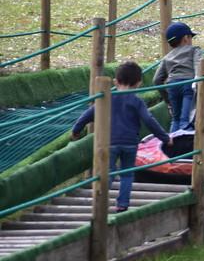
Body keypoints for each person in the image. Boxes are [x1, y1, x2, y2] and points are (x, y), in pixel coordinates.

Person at [72, 62, 170, 213]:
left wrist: (76, 130)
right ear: (139, 83)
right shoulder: (137, 101)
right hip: (130, 143)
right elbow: (149, 119)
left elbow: (87, 115)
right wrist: (164, 137)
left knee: (107, 172)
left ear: (115, 81)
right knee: (127, 174)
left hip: (108, 142)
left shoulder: (105, 98)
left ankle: (100, 202)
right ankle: (122, 204)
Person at [154, 22, 203, 132]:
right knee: (186, 120)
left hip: (172, 86)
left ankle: (173, 145)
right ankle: (187, 146)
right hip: (188, 85)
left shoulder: (167, 57)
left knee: (175, 119)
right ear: (186, 38)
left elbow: (157, 80)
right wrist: (196, 79)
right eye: (191, 37)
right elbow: (199, 64)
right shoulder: (194, 50)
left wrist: (167, 101)